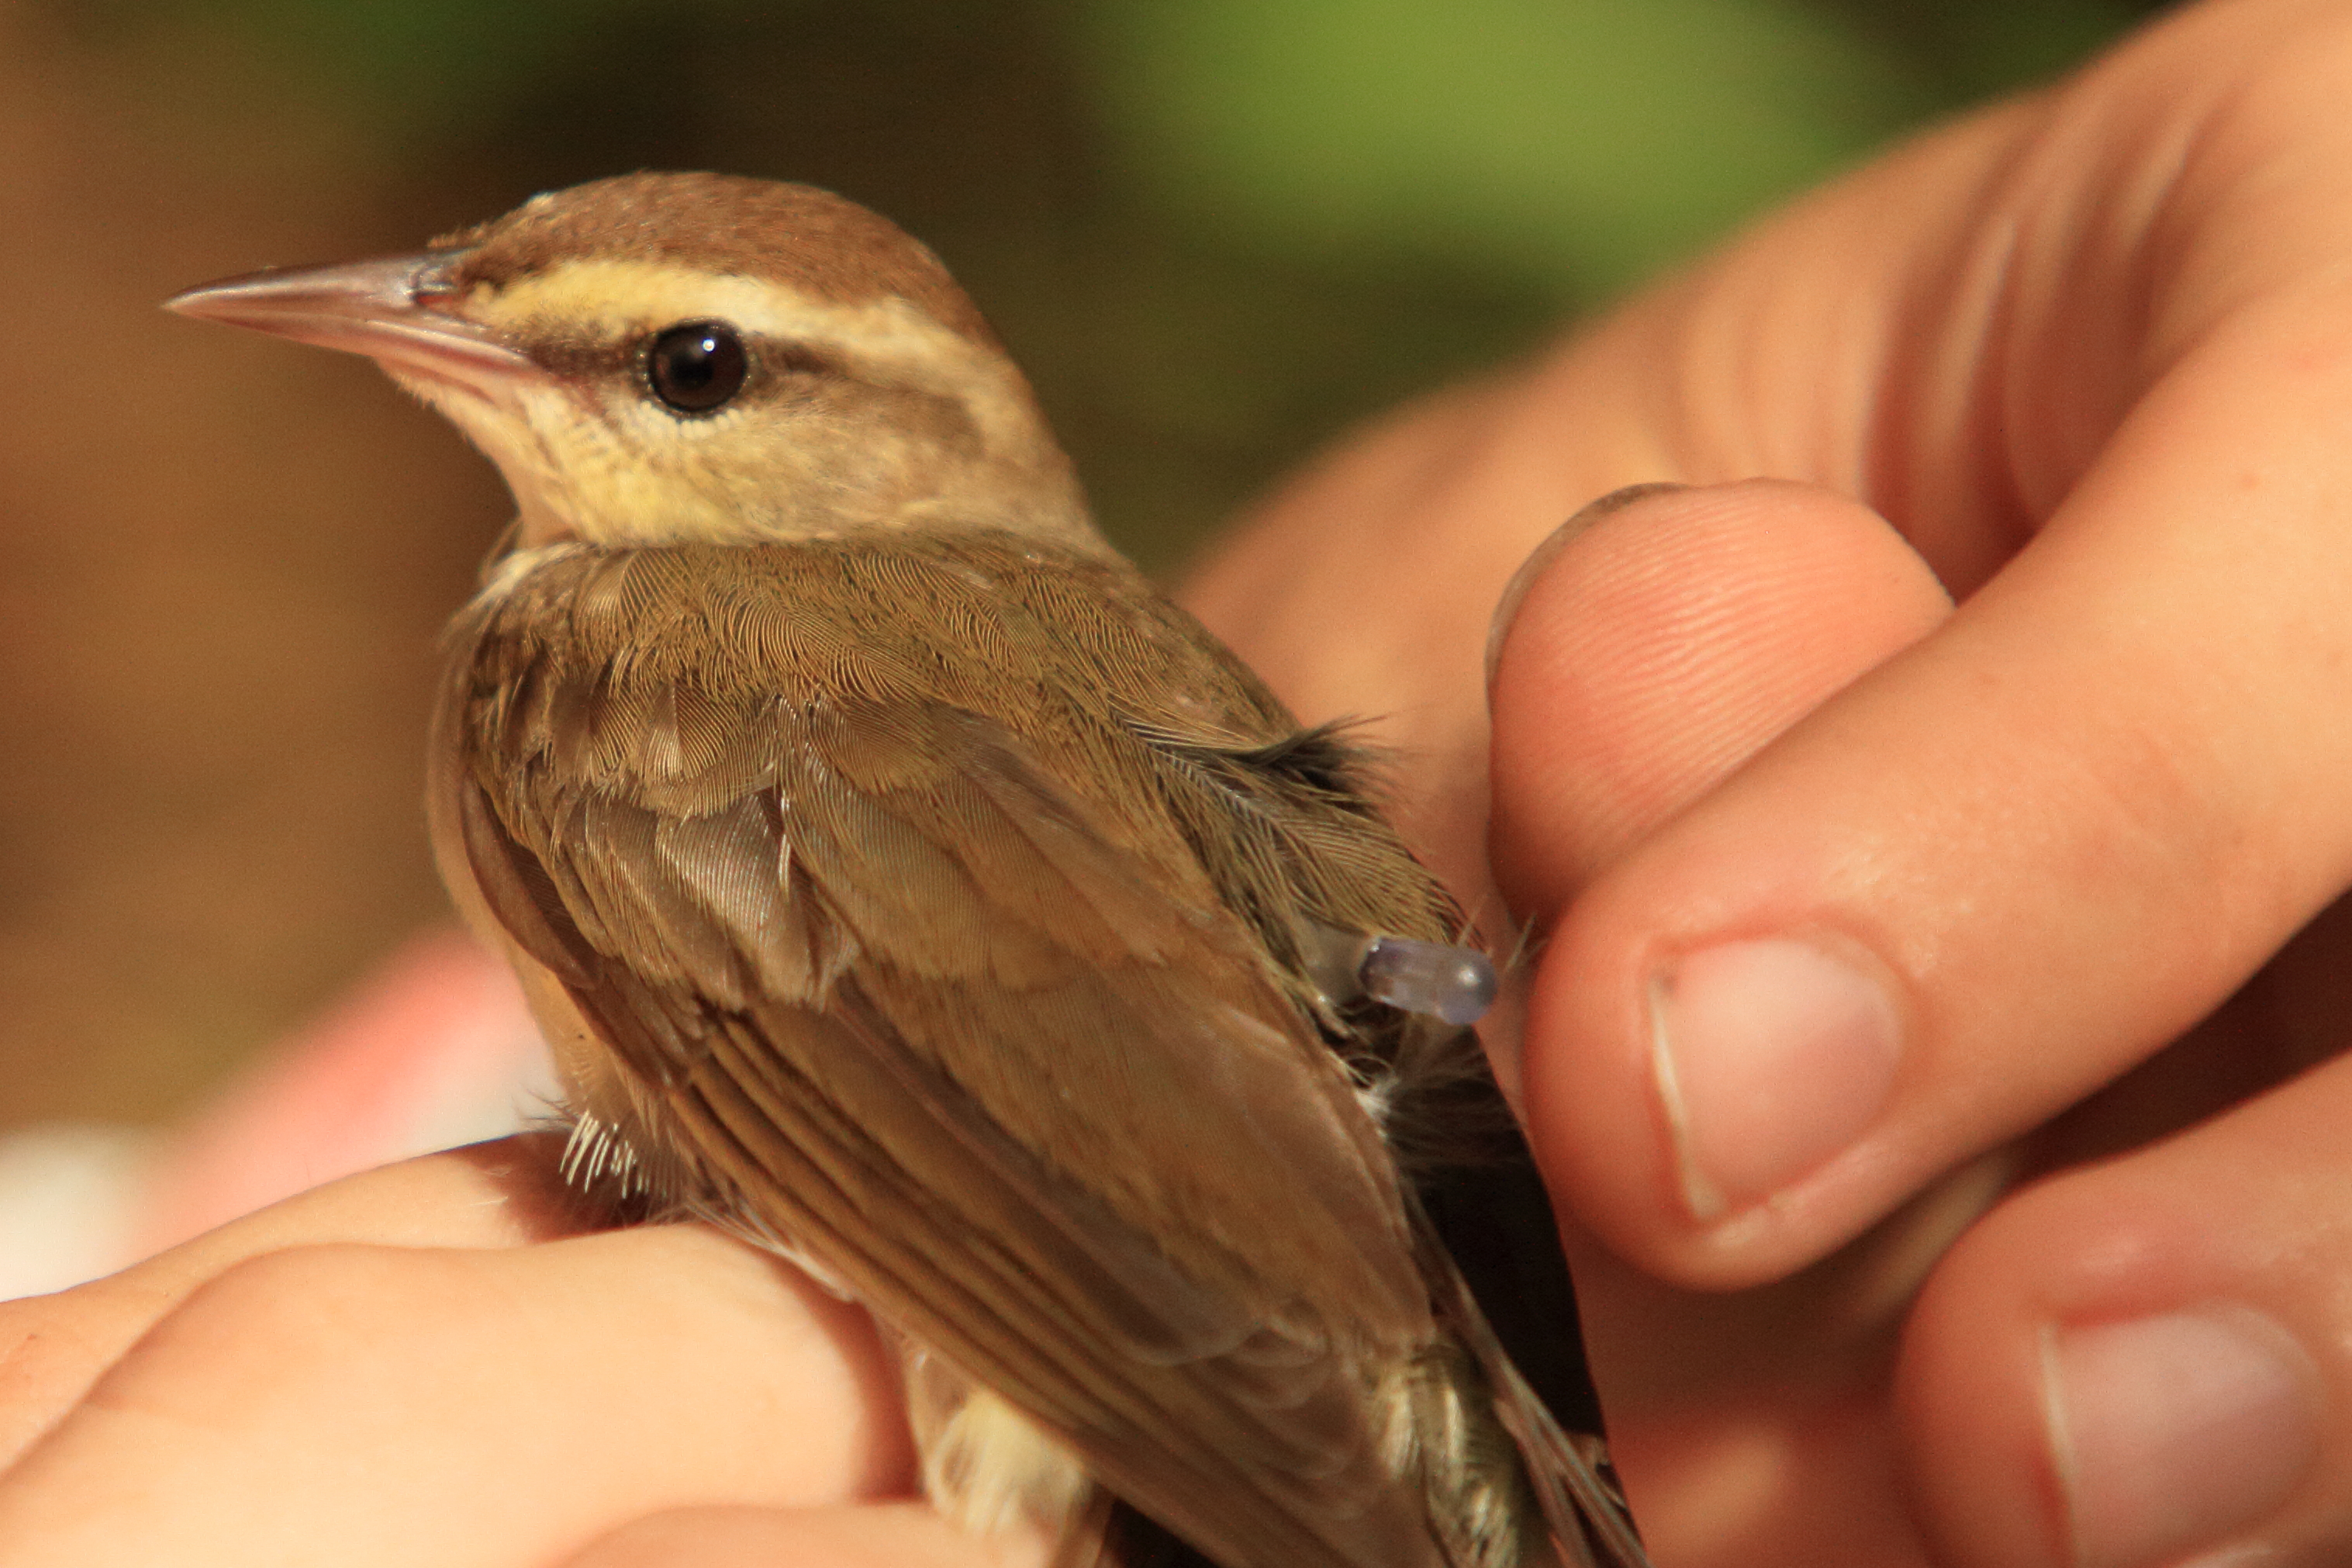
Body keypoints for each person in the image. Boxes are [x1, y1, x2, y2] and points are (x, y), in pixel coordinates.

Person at [5, 0, 2349, 1561]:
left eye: (685, 372)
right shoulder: (899, 640)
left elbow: (904, 1093)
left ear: (892, 438)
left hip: (1134, 1328)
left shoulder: (615, 661)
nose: (484, 369)